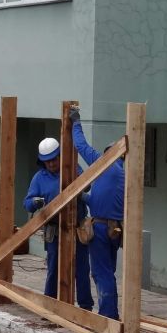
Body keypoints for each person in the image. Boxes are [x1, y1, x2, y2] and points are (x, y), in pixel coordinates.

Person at [23, 136, 94, 311]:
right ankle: (50, 305)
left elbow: (88, 185)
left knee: (81, 269)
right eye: (47, 161)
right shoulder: (39, 178)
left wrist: (78, 185)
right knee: (54, 268)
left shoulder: (72, 169)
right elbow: (27, 202)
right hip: (54, 231)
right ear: (42, 162)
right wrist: (36, 202)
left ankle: (85, 307)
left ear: (60, 156)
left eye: (54, 159)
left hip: (76, 227)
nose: (52, 164)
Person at [69, 106, 124, 320]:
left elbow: (80, 145)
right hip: (115, 229)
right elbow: (103, 201)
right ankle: (112, 313)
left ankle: (107, 316)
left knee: (102, 273)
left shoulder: (106, 164)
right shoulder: (122, 174)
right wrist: (82, 196)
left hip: (101, 228)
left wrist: (76, 121)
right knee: (108, 271)